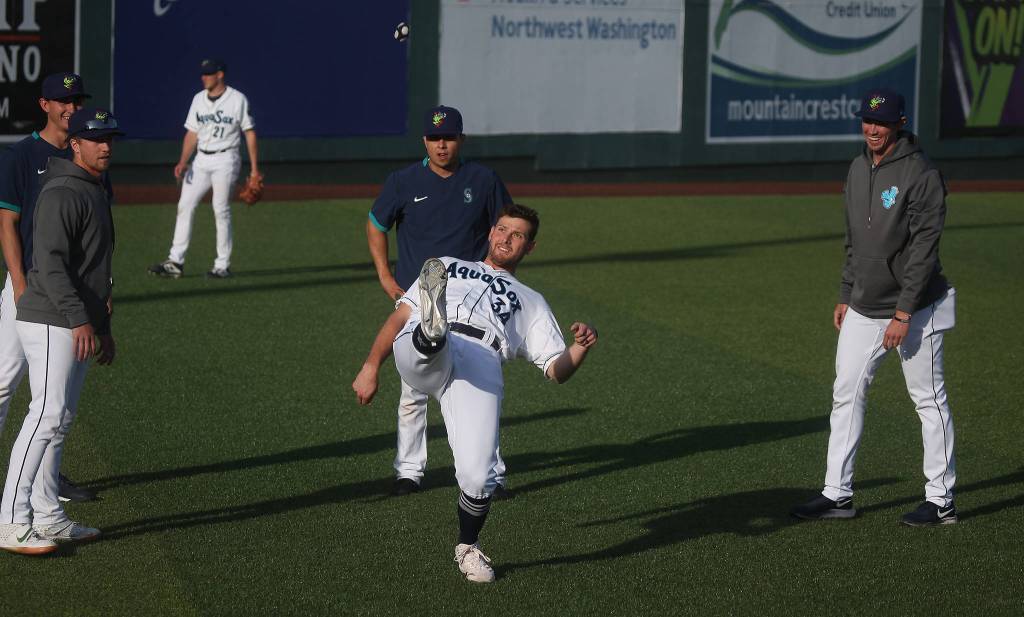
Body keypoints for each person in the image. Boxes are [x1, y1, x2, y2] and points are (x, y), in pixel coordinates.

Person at [352, 203, 599, 582]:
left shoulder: (532, 300)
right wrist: (371, 365)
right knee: (425, 334)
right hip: (432, 342)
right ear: (490, 233)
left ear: (529, 247)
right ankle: (431, 333)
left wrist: (579, 348)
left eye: (518, 235)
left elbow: (555, 370)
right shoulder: (446, 265)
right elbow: (399, 315)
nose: (507, 238)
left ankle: (467, 546)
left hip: (483, 358)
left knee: (478, 475)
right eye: (502, 229)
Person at [791, 89, 958, 527]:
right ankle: (837, 494)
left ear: (899, 122)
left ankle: (941, 500)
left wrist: (904, 313)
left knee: (928, 401)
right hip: (865, 305)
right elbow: (855, 240)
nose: (872, 128)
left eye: (880, 122)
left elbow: (924, 248)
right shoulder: (857, 166)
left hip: (917, 307)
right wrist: (846, 292)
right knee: (846, 392)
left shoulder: (922, 173)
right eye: (866, 120)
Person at [367, 105, 514, 498]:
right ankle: (409, 471)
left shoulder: (482, 179)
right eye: (434, 138)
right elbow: (376, 223)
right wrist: (384, 274)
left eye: (448, 137)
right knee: (413, 391)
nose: (441, 145)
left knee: (480, 386)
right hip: (419, 300)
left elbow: (506, 229)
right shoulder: (403, 181)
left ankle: (491, 474)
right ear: (424, 142)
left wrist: (503, 277)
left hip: (471, 301)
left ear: (461, 139)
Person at [0, 108, 122, 554]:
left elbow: (95, 268)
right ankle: (12, 520)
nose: (106, 145)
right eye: (96, 139)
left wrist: (102, 327)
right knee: (46, 414)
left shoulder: (93, 187)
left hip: (74, 319)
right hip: (50, 316)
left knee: (61, 419)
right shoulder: (63, 191)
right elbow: (47, 264)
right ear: (75, 143)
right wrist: (80, 318)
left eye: (110, 138)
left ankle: (49, 514)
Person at [0, 72, 102, 504]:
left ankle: (48, 481)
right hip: (27, 287)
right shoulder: (24, 155)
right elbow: (7, 222)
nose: (71, 107)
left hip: (71, 291)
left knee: (56, 397)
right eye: (63, 100)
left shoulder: (87, 154)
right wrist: (19, 283)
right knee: (5, 382)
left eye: (77, 99)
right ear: (44, 105)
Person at [149, 58, 258, 279]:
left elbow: (249, 132)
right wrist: (182, 160)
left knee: (220, 208)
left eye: (209, 73)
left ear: (220, 75)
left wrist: (255, 169)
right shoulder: (198, 99)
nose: (204, 77)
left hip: (226, 158)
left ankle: (222, 265)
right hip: (200, 160)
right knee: (185, 205)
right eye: (203, 73)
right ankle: (175, 261)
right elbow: (192, 133)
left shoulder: (237, 100)